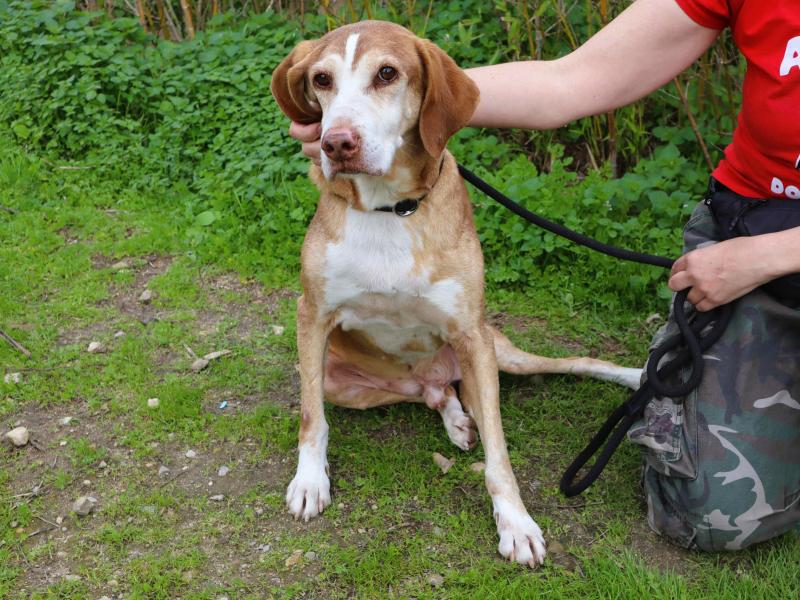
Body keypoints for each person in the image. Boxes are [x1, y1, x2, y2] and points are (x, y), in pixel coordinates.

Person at [286, 0, 800, 551]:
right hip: (755, 213)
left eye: (386, 77)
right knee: (713, 516)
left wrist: (769, 256)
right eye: (326, 83)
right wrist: (418, 99)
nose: (340, 128)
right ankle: (439, 396)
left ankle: (507, 429)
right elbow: (571, 80)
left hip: (766, 253)